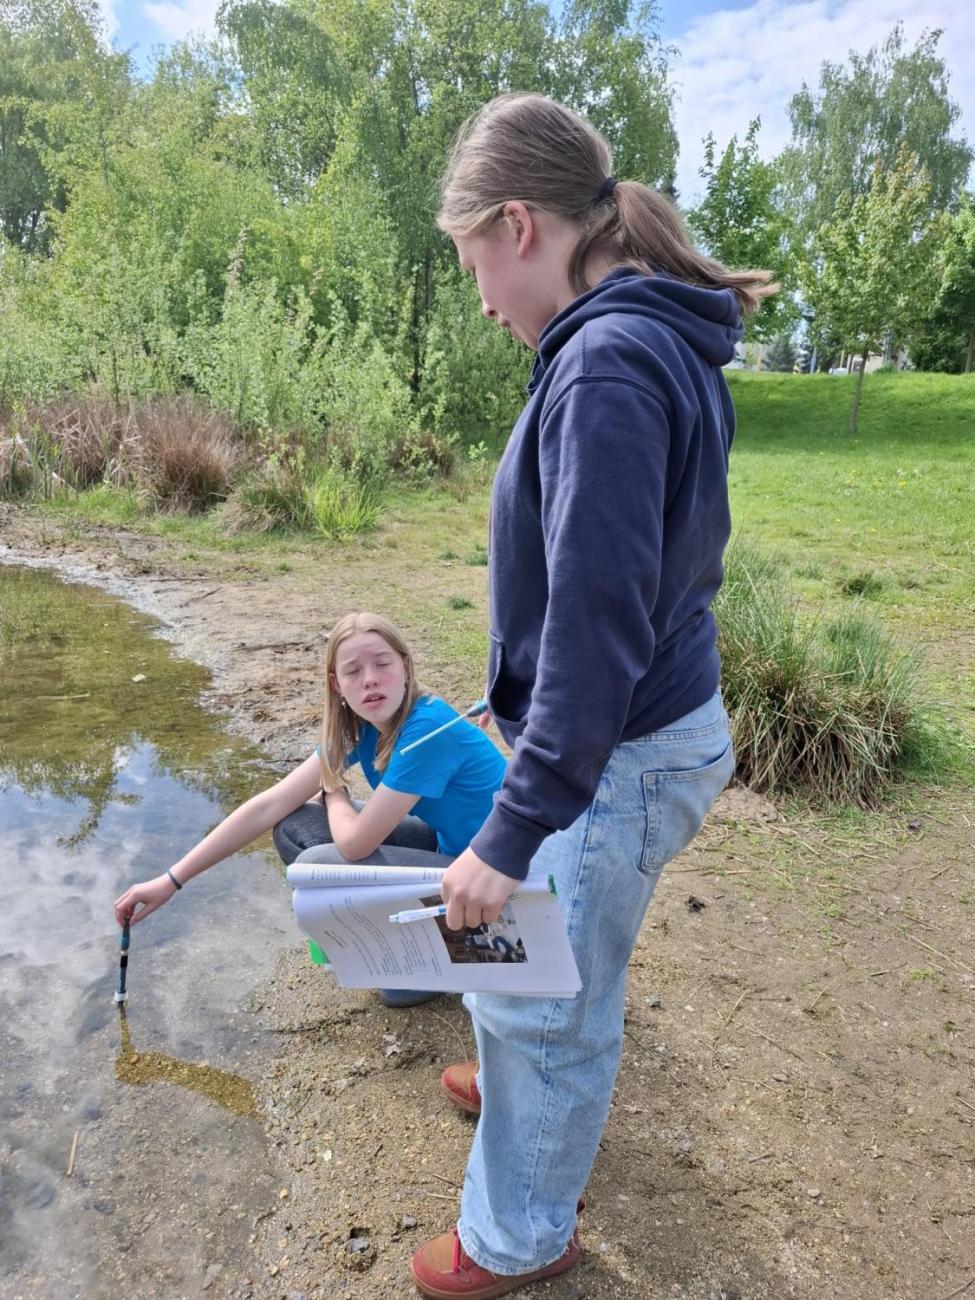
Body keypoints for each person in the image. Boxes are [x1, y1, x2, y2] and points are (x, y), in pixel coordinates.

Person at [408, 94, 775, 1298]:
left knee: (551, 1004)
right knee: (562, 964)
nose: (480, 302)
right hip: (629, 735)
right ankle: (518, 1086)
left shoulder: (609, 363)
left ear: (520, 225)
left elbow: (600, 623)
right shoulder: (630, 340)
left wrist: (517, 821)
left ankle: (521, 1235)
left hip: (619, 754)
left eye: (473, 267)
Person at [113, 611, 507, 1009]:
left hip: (491, 882)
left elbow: (354, 845)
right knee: (294, 822)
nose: (369, 678)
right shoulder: (364, 726)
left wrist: (334, 793)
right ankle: (409, 948)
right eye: (353, 671)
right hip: (450, 855)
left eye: (382, 664)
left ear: (405, 666)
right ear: (337, 684)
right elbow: (270, 804)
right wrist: (171, 880)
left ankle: (438, 958)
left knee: (323, 860)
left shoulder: (427, 729)